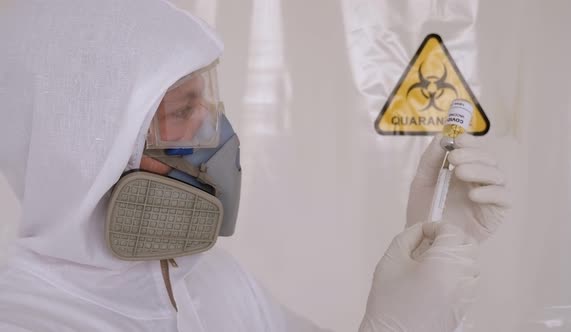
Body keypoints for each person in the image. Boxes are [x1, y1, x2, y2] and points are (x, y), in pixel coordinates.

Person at [0, 1, 509, 331]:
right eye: (182, 110)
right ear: (88, 148)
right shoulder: (27, 319)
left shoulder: (215, 282)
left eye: (210, 100)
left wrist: (429, 241)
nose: (217, 130)